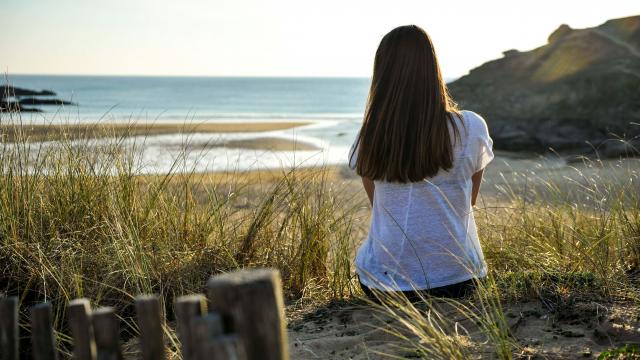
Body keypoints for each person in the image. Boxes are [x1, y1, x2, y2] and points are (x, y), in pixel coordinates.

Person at [349, 25, 494, 302]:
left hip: (384, 283)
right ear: (432, 69)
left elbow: (380, 207)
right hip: (458, 279)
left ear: (382, 74)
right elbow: (469, 201)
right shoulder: (472, 128)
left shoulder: (370, 137)